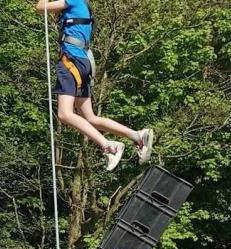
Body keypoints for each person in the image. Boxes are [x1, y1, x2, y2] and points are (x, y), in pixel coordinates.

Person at [37, 0, 154, 171]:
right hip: (83, 62)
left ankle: (109, 146)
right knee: (89, 117)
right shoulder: (82, 6)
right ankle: (137, 136)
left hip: (71, 60)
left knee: (64, 114)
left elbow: (41, 7)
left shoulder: (73, 0)